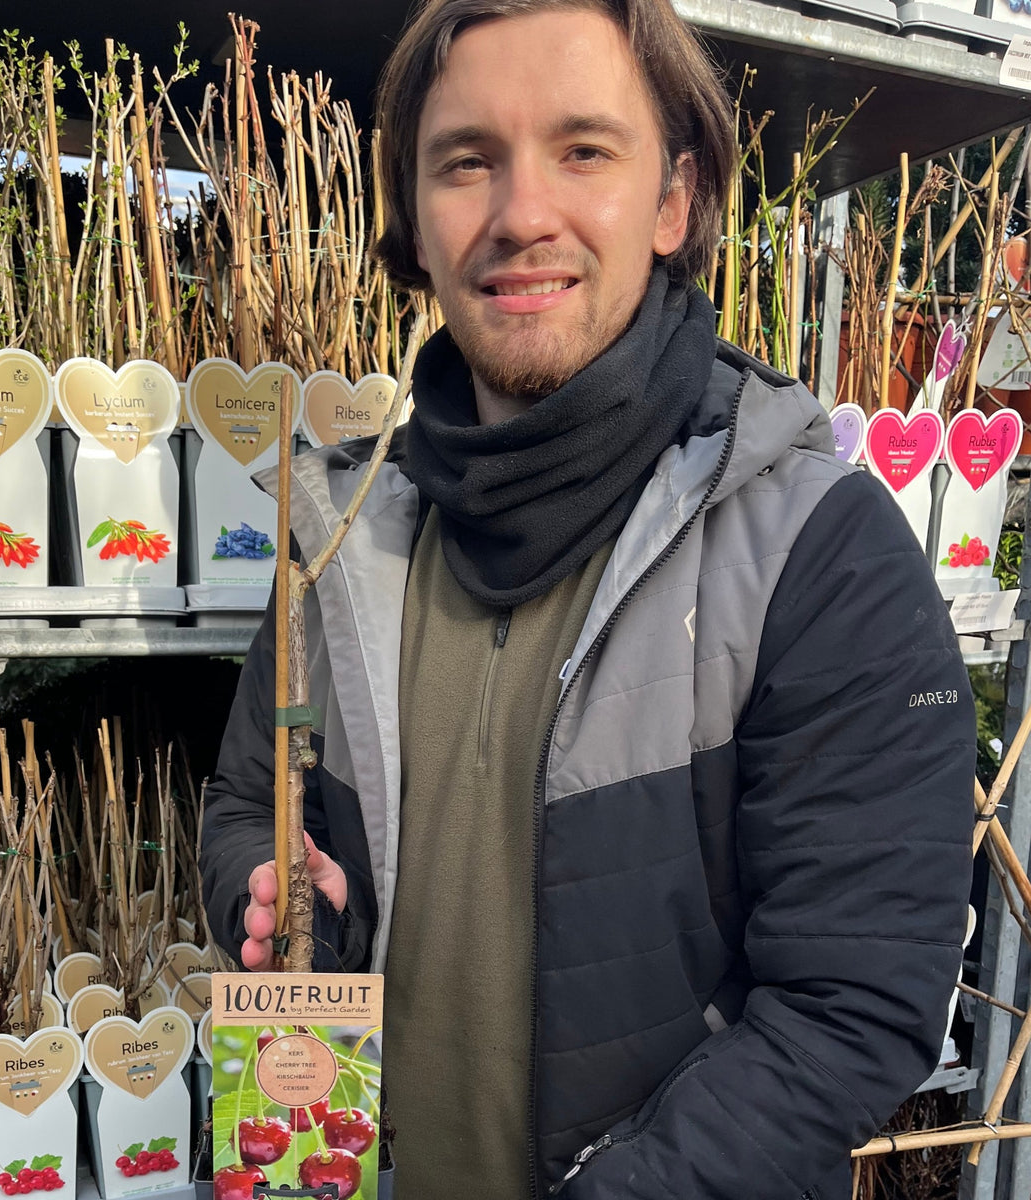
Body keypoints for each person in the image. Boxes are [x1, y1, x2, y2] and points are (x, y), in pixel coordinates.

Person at [201, 1, 976, 1196]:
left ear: (673, 199)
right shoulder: (338, 539)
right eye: (468, 162)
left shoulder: (820, 558)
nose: (522, 215)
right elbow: (248, 799)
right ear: (412, 219)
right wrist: (286, 896)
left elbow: (852, 1003)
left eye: (583, 151)